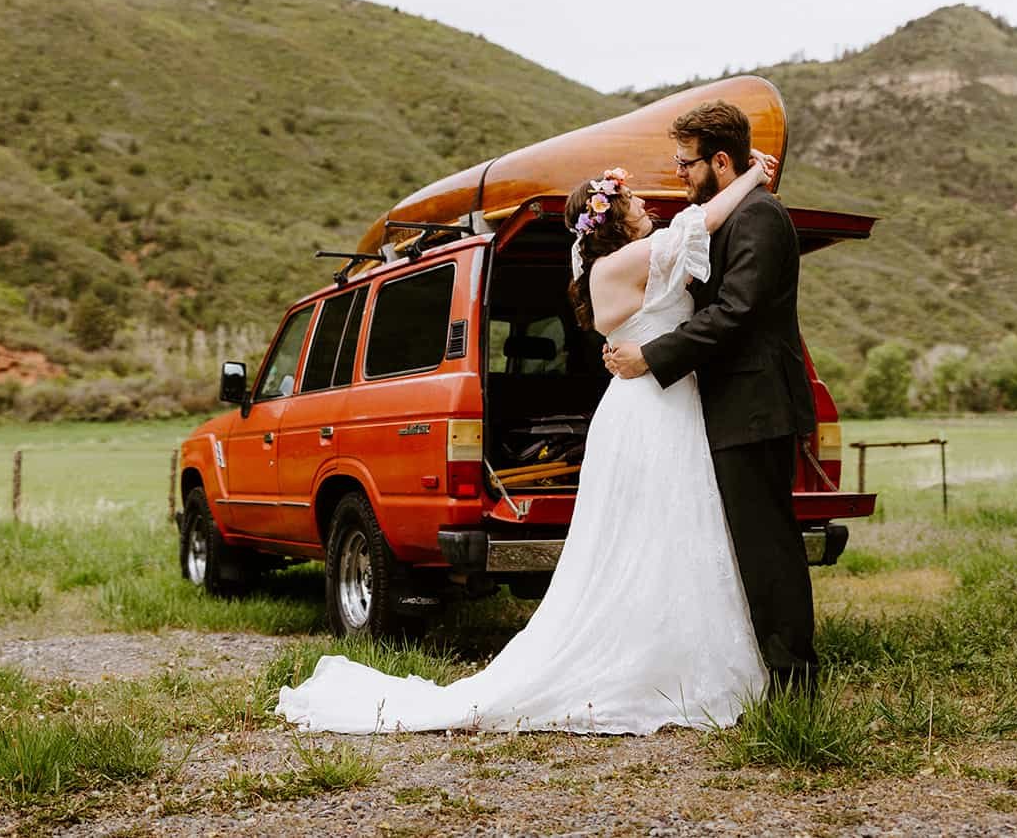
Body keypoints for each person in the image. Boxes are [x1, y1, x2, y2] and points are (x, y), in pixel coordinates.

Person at [275, 145, 778, 735]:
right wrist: (750, 177)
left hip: (665, 403)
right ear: (613, 218)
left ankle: (682, 654)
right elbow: (701, 223)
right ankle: (656, 663)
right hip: (650, 412)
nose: (647, 204)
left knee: (675, 531)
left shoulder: (628, 261)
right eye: (634, 199)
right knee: (653, 532)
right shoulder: (621, 265)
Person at [604, 100, 819, 694]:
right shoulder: (730, 213)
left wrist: (653, 354)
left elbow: (737, 311)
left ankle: (795, 684)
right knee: (744, 547)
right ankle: (758, 673)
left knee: (767, 547)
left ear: (719, 161)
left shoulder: (761, 218)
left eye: (685, 163)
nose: (679, 174)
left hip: (756, 405)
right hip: (729, 406)